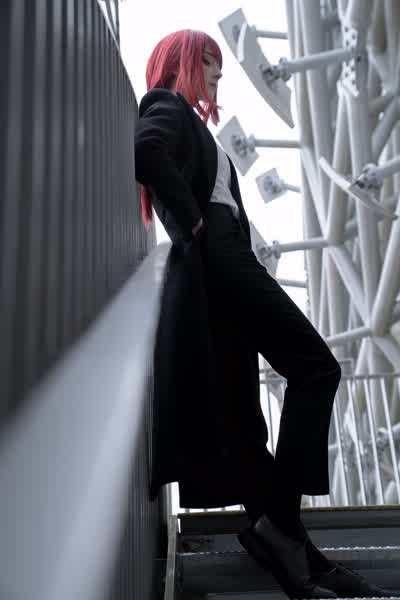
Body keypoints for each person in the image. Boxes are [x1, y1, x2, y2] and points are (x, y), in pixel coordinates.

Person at [134, 29, 398, 599]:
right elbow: (147, 150)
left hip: (225, 264)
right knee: (316, 367)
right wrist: (193, 220)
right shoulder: (166, 106)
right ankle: (279, 526)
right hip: (220, 258)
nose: (218, 74)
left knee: (242, 423)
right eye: (209, 61)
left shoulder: (194, 126)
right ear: (181, 61)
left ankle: (305, 562)